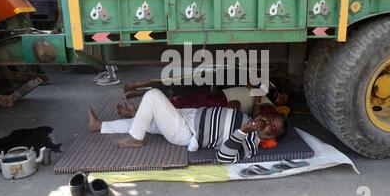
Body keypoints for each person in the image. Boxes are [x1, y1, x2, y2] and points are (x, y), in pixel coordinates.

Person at [88, 89, 288, 164]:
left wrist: (244, 130)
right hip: (190, 116)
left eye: (273, 127)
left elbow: (224, 157)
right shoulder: (246, 116)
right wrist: (233, 111)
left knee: (153, 96)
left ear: (272, 138)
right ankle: (99, 125)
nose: (268, 122)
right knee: (145, 121)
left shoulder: (250, 144)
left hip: (186, 132)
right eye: (270, 118)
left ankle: (135, 140)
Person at [119, 81, 289, 118]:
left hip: (222, 104)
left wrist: (257, 98)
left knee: (180, 106)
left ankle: (137, 113)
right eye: (282, 93)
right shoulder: (264, 90)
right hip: (216, 95)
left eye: (283, 99)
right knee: (180, 98)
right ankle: (140, 107)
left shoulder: (269, 106)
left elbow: (257, 118)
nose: (279, 96)